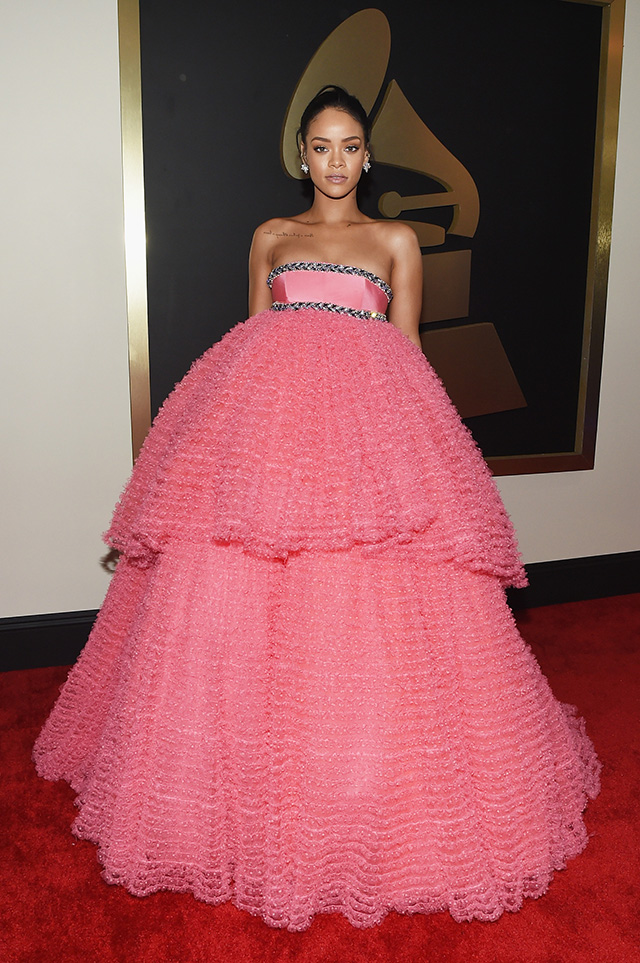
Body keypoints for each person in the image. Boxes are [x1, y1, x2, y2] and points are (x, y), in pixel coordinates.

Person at [34, 85, 600, 931]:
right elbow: (257, 342)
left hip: (368, 432)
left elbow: (407, 353)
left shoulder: (396, 240)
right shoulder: (271, 236)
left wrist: (418, 458)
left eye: (350, 146)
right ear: (303, 156)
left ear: (368, 156)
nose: (336, 161)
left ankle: (363, 779)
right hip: (273, 439)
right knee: (245, 603)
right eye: (322, 146)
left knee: (370, 611)